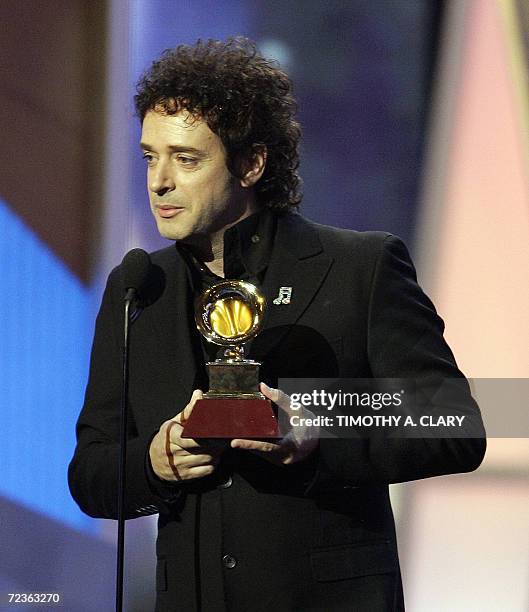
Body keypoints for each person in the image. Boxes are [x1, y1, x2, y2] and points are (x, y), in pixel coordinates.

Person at [68, 37, 486, 611]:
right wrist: (152, 462)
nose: (159, 181)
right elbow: (90, 470)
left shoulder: (359, 267)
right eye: (149, 156)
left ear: (251, 163)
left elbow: (454, 424)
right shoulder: (140, 286)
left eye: (186, 158)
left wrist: (314, 430)